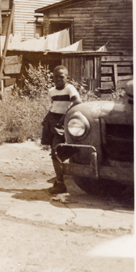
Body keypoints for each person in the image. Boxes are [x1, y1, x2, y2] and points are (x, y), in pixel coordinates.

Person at [41, 65, 82, 194]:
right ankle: (59, 179)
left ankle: (60, 183)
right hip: (53, 120)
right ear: (52, 77)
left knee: (57, 152)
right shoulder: (51, 90)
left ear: (67, 77)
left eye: (61, 76)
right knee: (53, 150)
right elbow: (54, 105)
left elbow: (78, 102)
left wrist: (65, 116)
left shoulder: (70, 88)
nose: (58, 79)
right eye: (56, 76)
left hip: (64, 121)